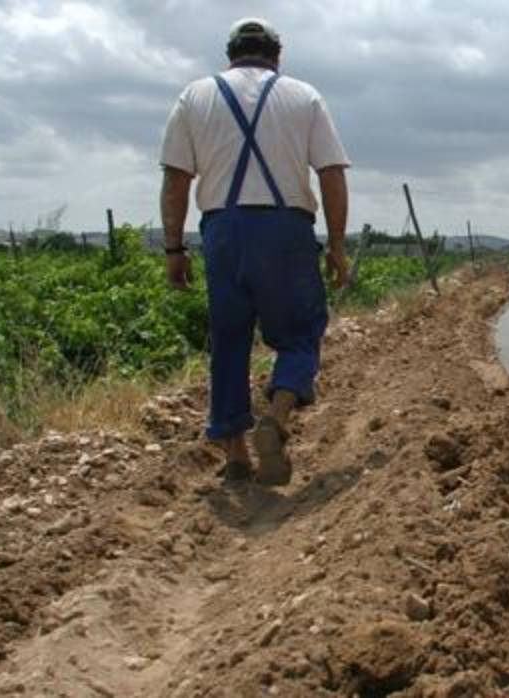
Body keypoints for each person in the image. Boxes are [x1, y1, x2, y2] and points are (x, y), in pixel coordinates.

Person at [159, 17, 351, 486]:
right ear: (276, 55)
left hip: (221, 230)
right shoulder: (304, 96)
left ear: (230, 55)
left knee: (229, 341)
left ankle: (237, 454)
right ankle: (279, 413)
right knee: (301, 333)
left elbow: (175, 180)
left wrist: (174, 248)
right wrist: (338, 247)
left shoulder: (195, 96)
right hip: (286, 228)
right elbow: (331, 174)